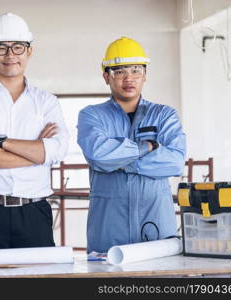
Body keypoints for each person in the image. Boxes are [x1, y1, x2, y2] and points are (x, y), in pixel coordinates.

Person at [0, 12, 69, 250]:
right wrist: (36, 151)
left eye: (18, 47)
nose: (10, 55)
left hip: (34, 214)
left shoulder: (46, 101)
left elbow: (57, 150)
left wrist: (2, 143)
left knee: (39, 287)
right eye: (1, 48)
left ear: (29, 51)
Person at [77, 37, 187, 253]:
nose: (129, 78)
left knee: (160, 284)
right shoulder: (92, 115)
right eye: (119, 71)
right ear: (106, 76)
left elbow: (175, 162)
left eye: (136, 70)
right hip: (108, 227)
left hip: (156, 222)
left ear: (145, 75)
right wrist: (145, 148)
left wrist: (120, 162)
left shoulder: (164, 115)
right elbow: (98, 155)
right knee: (107, 282)